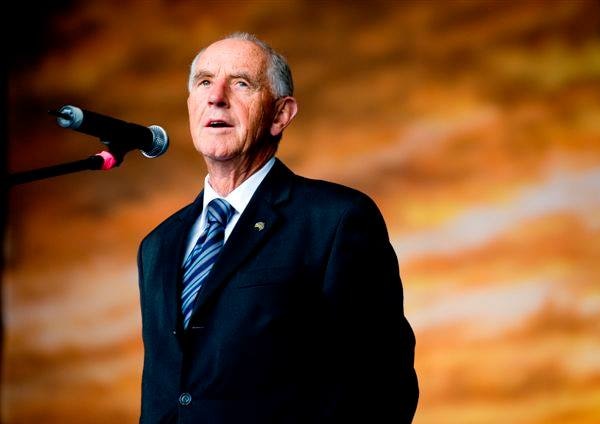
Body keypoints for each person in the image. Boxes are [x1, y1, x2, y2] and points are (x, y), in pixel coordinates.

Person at [137, 32, 418, 424]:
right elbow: (167, 390)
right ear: (190, 106)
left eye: (240, 83)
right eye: (204, 82)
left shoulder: (336, 220)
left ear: (281, 114)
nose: (216, 96)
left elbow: (383, 386)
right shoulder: (158, 245)